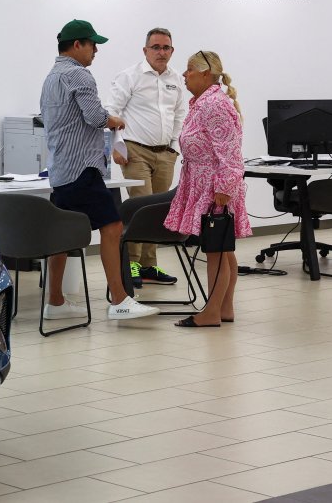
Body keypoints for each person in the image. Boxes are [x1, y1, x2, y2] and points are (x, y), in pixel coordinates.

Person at [40, 19, 160, 321]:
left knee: (62, 236)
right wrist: (115, 120)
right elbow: (95, 118)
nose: (96, 51)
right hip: (84, 168)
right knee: (113, 227)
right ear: (77, 44)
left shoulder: (51, 77)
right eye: (93, 45)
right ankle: (120, 299)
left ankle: (55, 301)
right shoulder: (80, 75)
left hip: (61, 170)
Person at [164, 50, 251, 327]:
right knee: (223, 250)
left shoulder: (214, 105)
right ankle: (224, 308)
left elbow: (230, 153)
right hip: (205, 184)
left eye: (188, 70)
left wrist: (223, 189)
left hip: (215, 187)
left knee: (215, 251)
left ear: (204, 74)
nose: (184, 75)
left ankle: (211, 312)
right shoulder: (202, 103)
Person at [106, 27, 188, 289]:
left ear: (172, 51)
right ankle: (131, 261)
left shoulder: (176, 79)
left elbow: (179, 115)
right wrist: (116, 146)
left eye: (166, 48)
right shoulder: (130, 76)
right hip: (136, 150)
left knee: (157, 211)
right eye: (156, 47)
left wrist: (175, 148)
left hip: (165, 153)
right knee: (140, 206)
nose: (161, 52)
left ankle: (149, 265)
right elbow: (112, 111)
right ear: (145, 50)